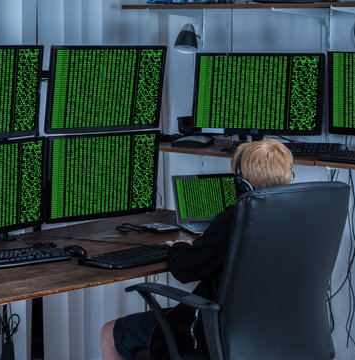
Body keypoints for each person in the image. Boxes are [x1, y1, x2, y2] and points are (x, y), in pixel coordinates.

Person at [100, 138, 294, 360]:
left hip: (213, 332)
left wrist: (181, 247)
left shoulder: (234, 220)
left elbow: (184, 270)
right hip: (272, 332)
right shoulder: (299, 217)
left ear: (243, 184)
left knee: (110, 333)